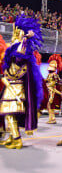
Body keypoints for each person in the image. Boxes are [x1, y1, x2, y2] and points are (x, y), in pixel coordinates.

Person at [0, 14, 43, 149]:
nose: (14, 34)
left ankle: (17, 139)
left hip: (16, 87)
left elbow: (19, 58)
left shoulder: (21, 49)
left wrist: (26, 38)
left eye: (17, 32)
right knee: (8, 114)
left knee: (9, 114)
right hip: (10, 85)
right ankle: (13, 137)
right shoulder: (13, 49)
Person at [45, 54, 62, 124]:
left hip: (52, 91)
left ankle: (52, 119)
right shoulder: (49, 75)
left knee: (50, 105)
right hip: (49, 90)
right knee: (48, 106)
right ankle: (51, 118)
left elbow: (57, 83)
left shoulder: (55, 75)